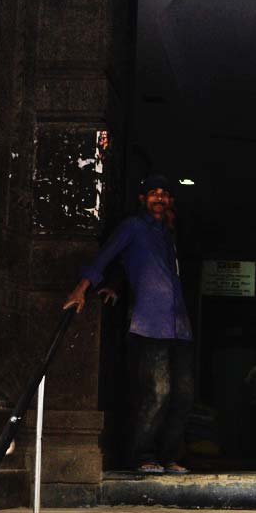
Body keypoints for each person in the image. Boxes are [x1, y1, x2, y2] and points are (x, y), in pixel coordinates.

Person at [64, 175, 193, 475]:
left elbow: (140, 266)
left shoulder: (168, 234)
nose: (159, 198)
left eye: (165, 193)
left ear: (171, 201)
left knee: (184, 395)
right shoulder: (133, 227)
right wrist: (81, 289)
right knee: (158, 392)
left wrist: (117, 285)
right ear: (142, 199)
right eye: (153, 193)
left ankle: (169, 456)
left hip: (180, 326)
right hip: (150, 324)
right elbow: (108, 256)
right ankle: (142, 455)